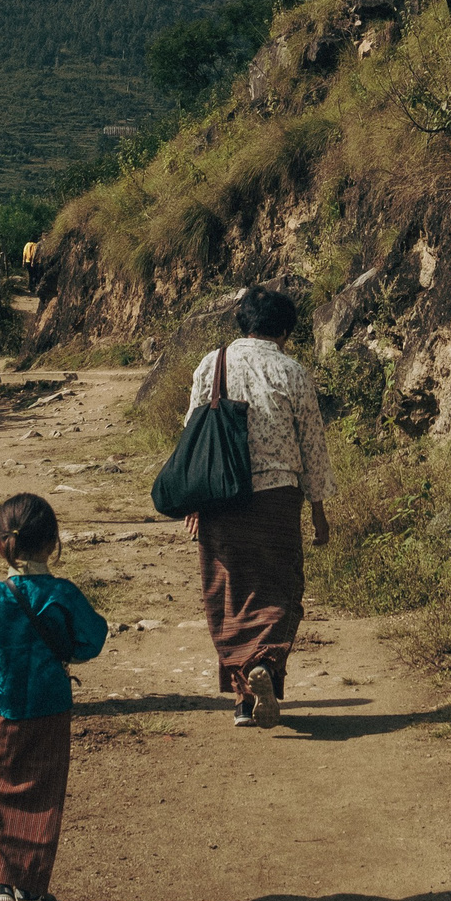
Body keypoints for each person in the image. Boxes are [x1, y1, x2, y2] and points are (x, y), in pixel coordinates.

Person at [0, 493, 108, 901]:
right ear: (53, 543)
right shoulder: (64, 594)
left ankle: (1, 885)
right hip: (51, 710)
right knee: (43, 795)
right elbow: (93, 639)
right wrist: (67, 651)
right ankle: (30, 891)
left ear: (1, 544)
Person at [184, 287, 334, 728]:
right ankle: (265, 666)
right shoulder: (292, 371)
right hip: (277, 498)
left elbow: (193, 433)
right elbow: (312, 445)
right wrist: (319, 509)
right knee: (278, 587)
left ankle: (242, 701)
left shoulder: (212, 365)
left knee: (226, 591)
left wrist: (194, 501)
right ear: (285, 330)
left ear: (242, 323)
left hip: (218, 496)